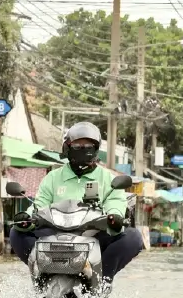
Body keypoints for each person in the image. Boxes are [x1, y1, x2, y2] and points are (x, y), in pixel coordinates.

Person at [8, 121, 144, 285]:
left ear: (96, 149)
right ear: (67, 148)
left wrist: (114, 217)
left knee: (133, 237)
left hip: (94, 235)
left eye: (88, 146)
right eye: (78, 146)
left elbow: (115, 203)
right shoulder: (52, 178)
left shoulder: (108, 179)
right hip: (54, 235)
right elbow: (39, 205)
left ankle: (102, 280)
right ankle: (40, 276)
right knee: (16, 233)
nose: (83, 149)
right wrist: (27, 217)